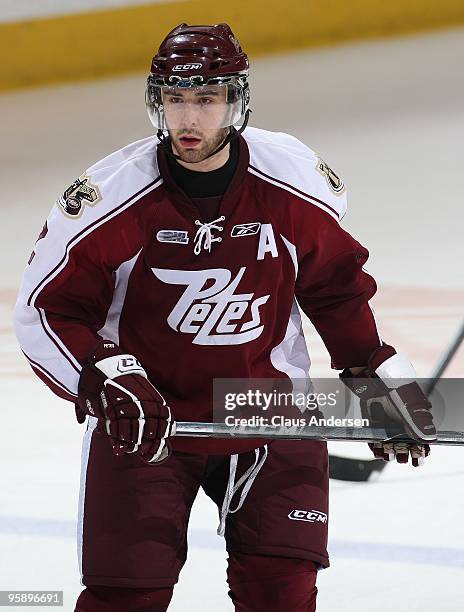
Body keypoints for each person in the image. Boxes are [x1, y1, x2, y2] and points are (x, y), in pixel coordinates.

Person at [14, 23, 435, 612]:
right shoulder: (109, 197)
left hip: (269, 407)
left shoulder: (292, 180)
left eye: (206, 100)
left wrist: (371, 371)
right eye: (175, 98)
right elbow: (47, 311)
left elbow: (334, 288)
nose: (189, 119)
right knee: (126, 596)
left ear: (235, 102)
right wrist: (107, 378)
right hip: (152, 415)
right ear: (156, 101)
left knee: (282, 592)